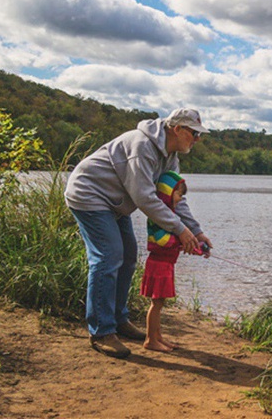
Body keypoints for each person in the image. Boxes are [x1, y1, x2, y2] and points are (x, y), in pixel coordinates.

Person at [65, 108, 213, 358]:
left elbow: (172, 197)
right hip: (89, 194)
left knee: (128, 256)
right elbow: (145, 197)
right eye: (194, 133)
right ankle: (101, 331)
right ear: (177, 129)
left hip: (116, 203)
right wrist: (180, 230)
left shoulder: (170, 157)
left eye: (200, 135)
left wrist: (195, 231)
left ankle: (117, 320)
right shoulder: (142, 146)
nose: (197, 139)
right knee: (108, 256)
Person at [140, 171, 193, 352]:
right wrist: (180, 241)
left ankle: (158, 337)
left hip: (166, 265)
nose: (180, 199)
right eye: (179, 194)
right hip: (158, 265)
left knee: (160, 303)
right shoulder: (158, 216)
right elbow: (161, 240)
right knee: (156, 304)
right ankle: (150, 340)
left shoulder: (169, 214)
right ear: (168, 192)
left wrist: (191, 244)